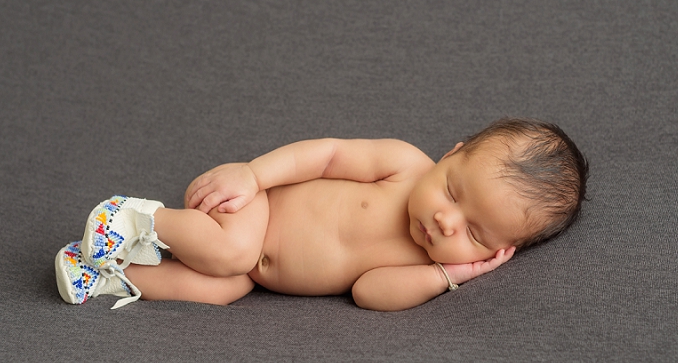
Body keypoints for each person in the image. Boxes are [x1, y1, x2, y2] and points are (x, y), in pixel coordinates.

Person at [55, 118, 588, 311]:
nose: (447, 221)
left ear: (497, 253)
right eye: (452, 190)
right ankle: (129, 216)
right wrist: (254, 175)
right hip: (250, 208)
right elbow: (328, 153)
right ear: (451, 154)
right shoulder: (404, 164)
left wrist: (450, 274)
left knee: (223, 289)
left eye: (472, 233)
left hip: (256, 277)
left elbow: (368, 294)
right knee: (233, 251)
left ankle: (109, 273)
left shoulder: (422, 264)